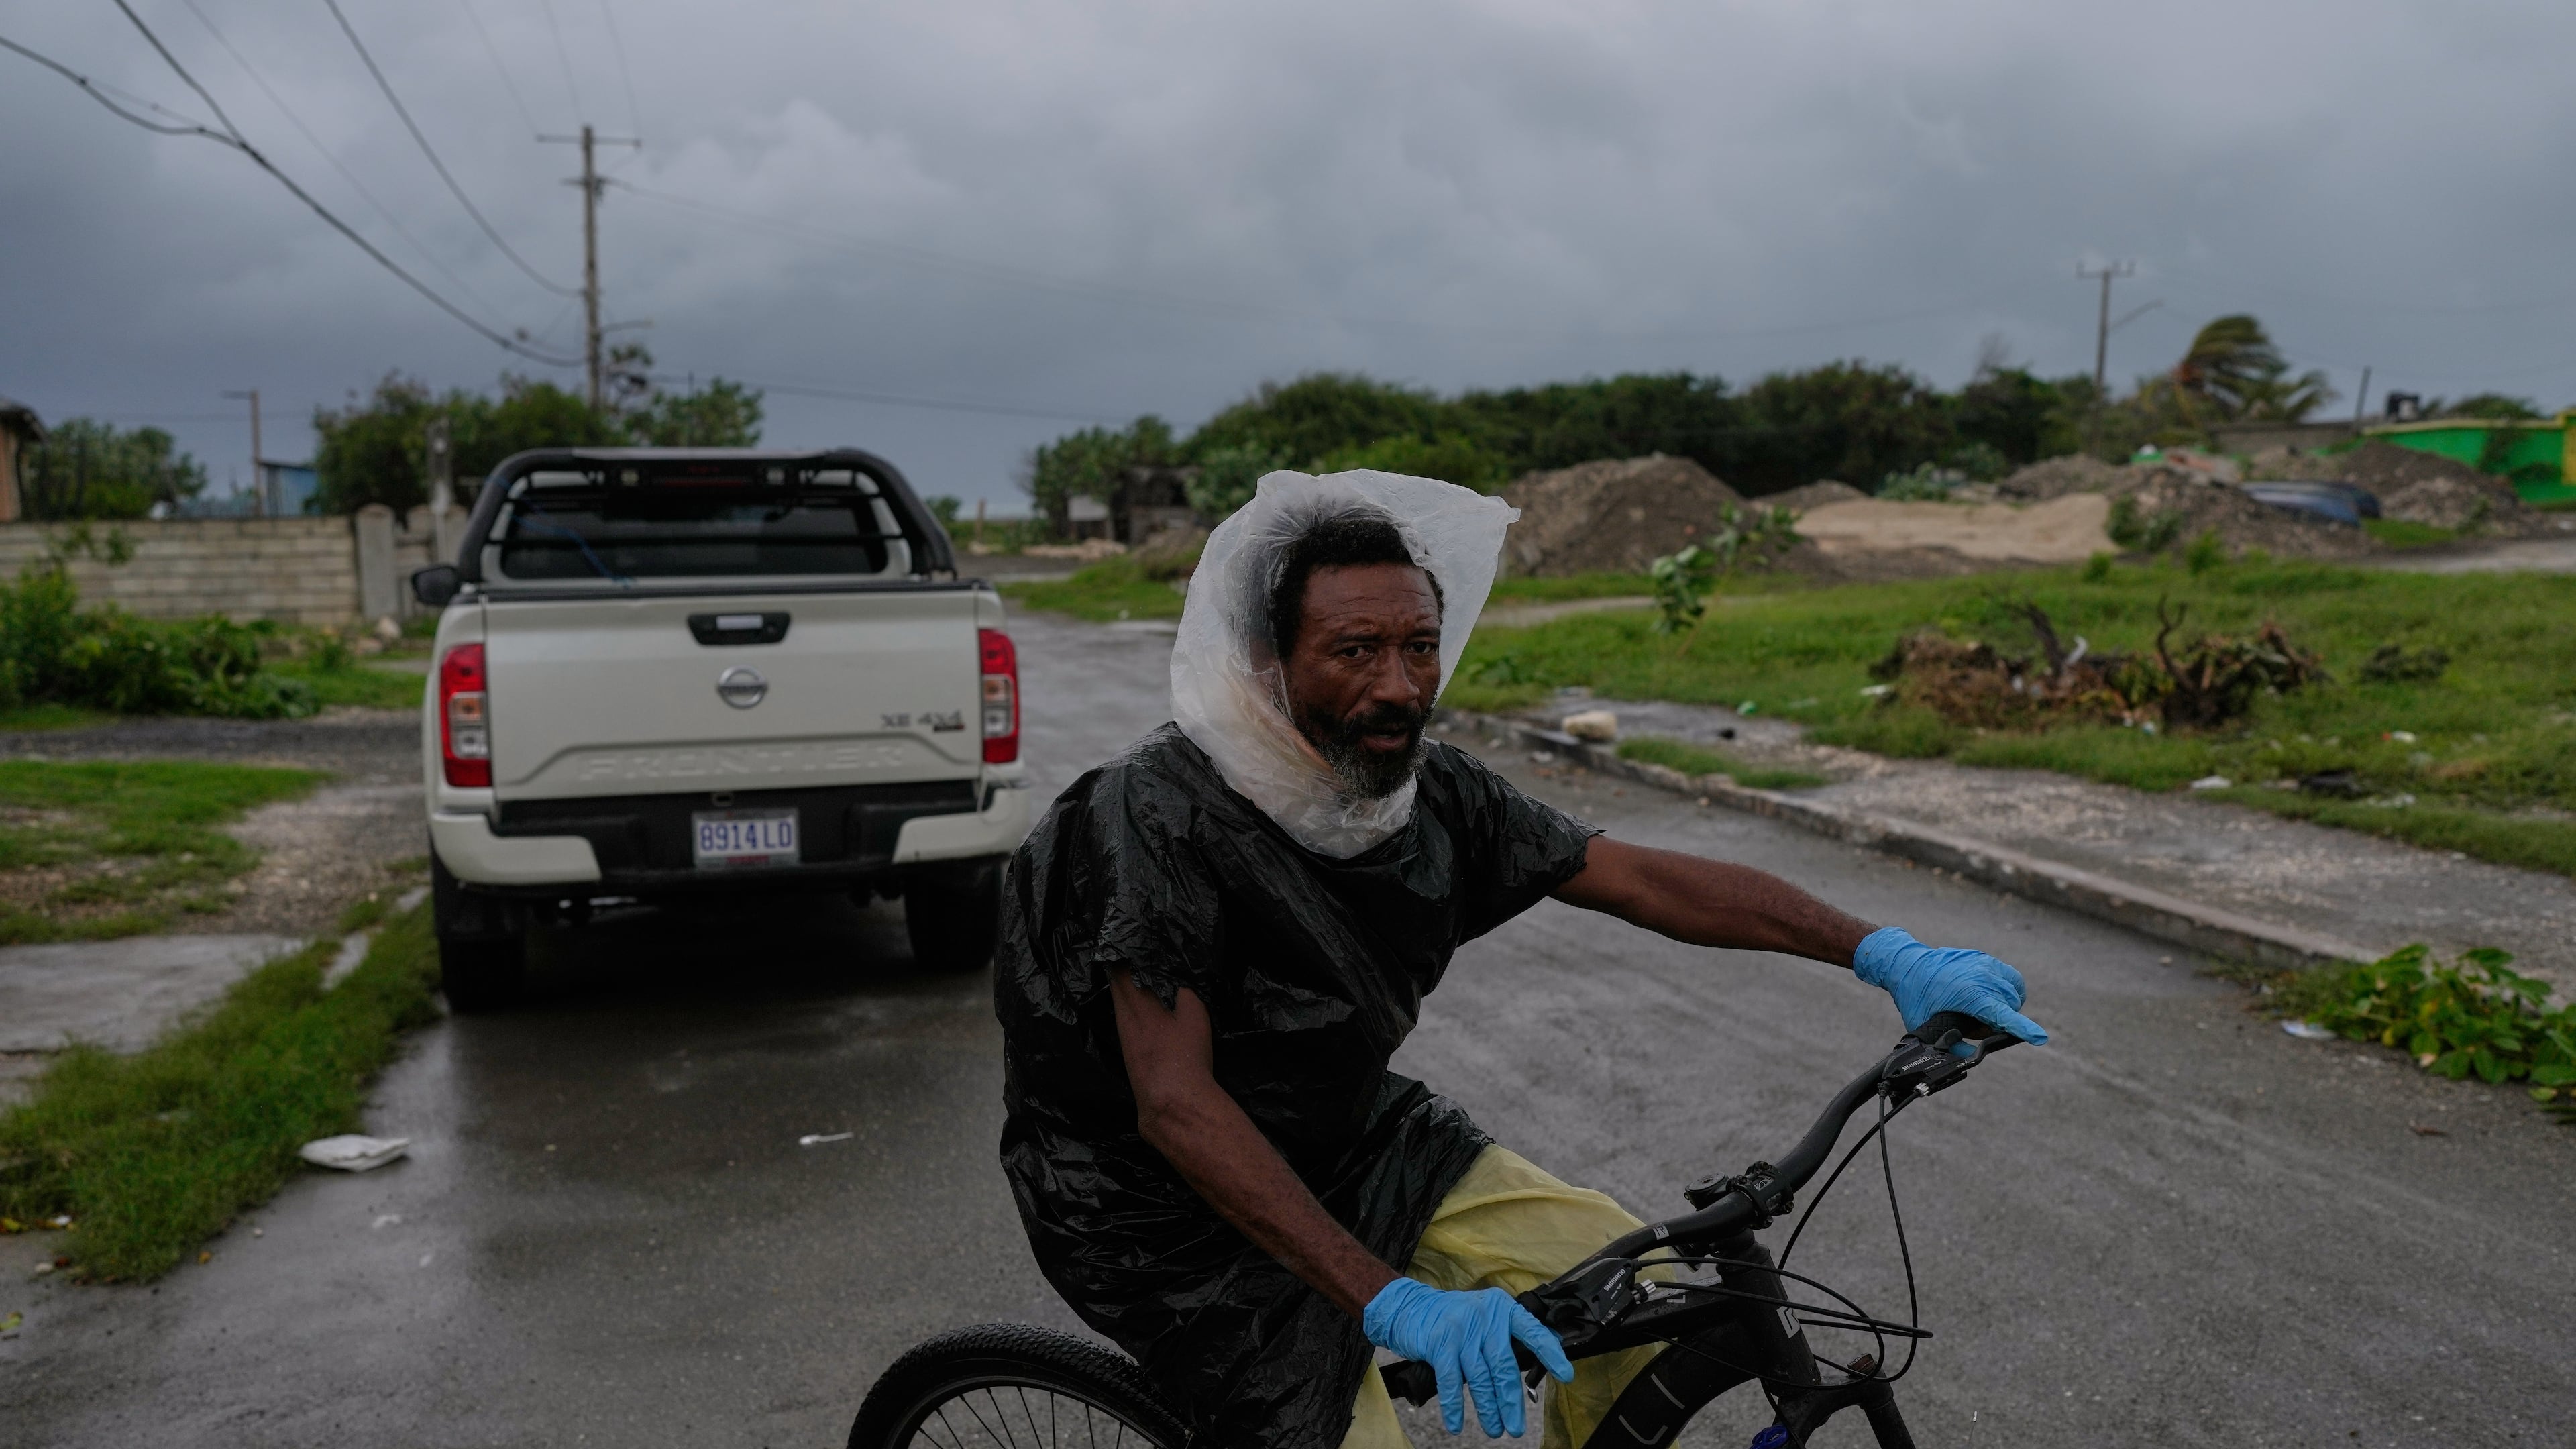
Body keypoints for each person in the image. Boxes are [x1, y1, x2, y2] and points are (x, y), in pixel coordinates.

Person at [994, 471, 2046, 1449]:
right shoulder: (1153, 816)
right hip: (1159, 1213)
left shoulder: (1428, 792)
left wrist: (1882, 951)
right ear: (1270, 662)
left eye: (1420, 646)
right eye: (1355, 651)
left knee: (1648, 1304)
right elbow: (1175, 1103)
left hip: (1348, 1134)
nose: (1399, 686)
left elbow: (1639, 879)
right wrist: (1391, 1300)